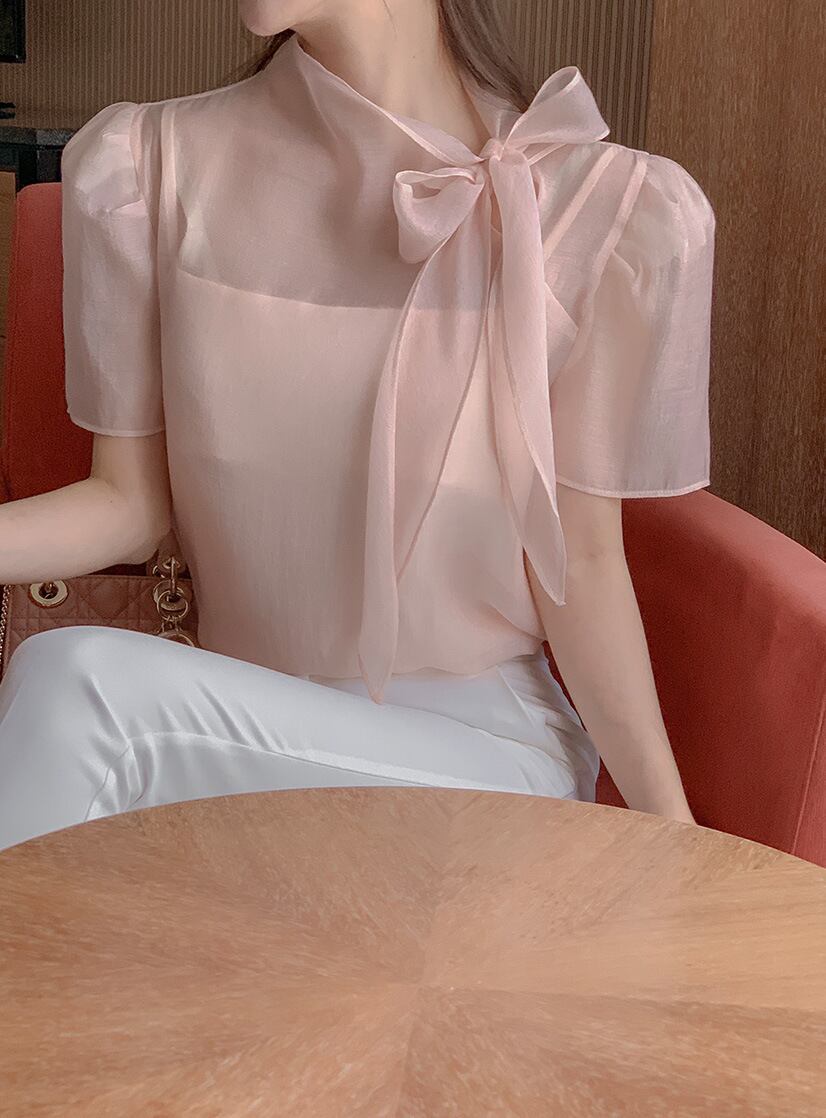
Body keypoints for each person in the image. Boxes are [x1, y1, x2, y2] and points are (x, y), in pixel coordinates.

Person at [0, 0, 715, 851]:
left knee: (78, 686)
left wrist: (678, 845)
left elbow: (584, 564)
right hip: (222, 734)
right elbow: (129, 505)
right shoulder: (145, 166)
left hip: (481, 762)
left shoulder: (599, 208)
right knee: (79, 697)